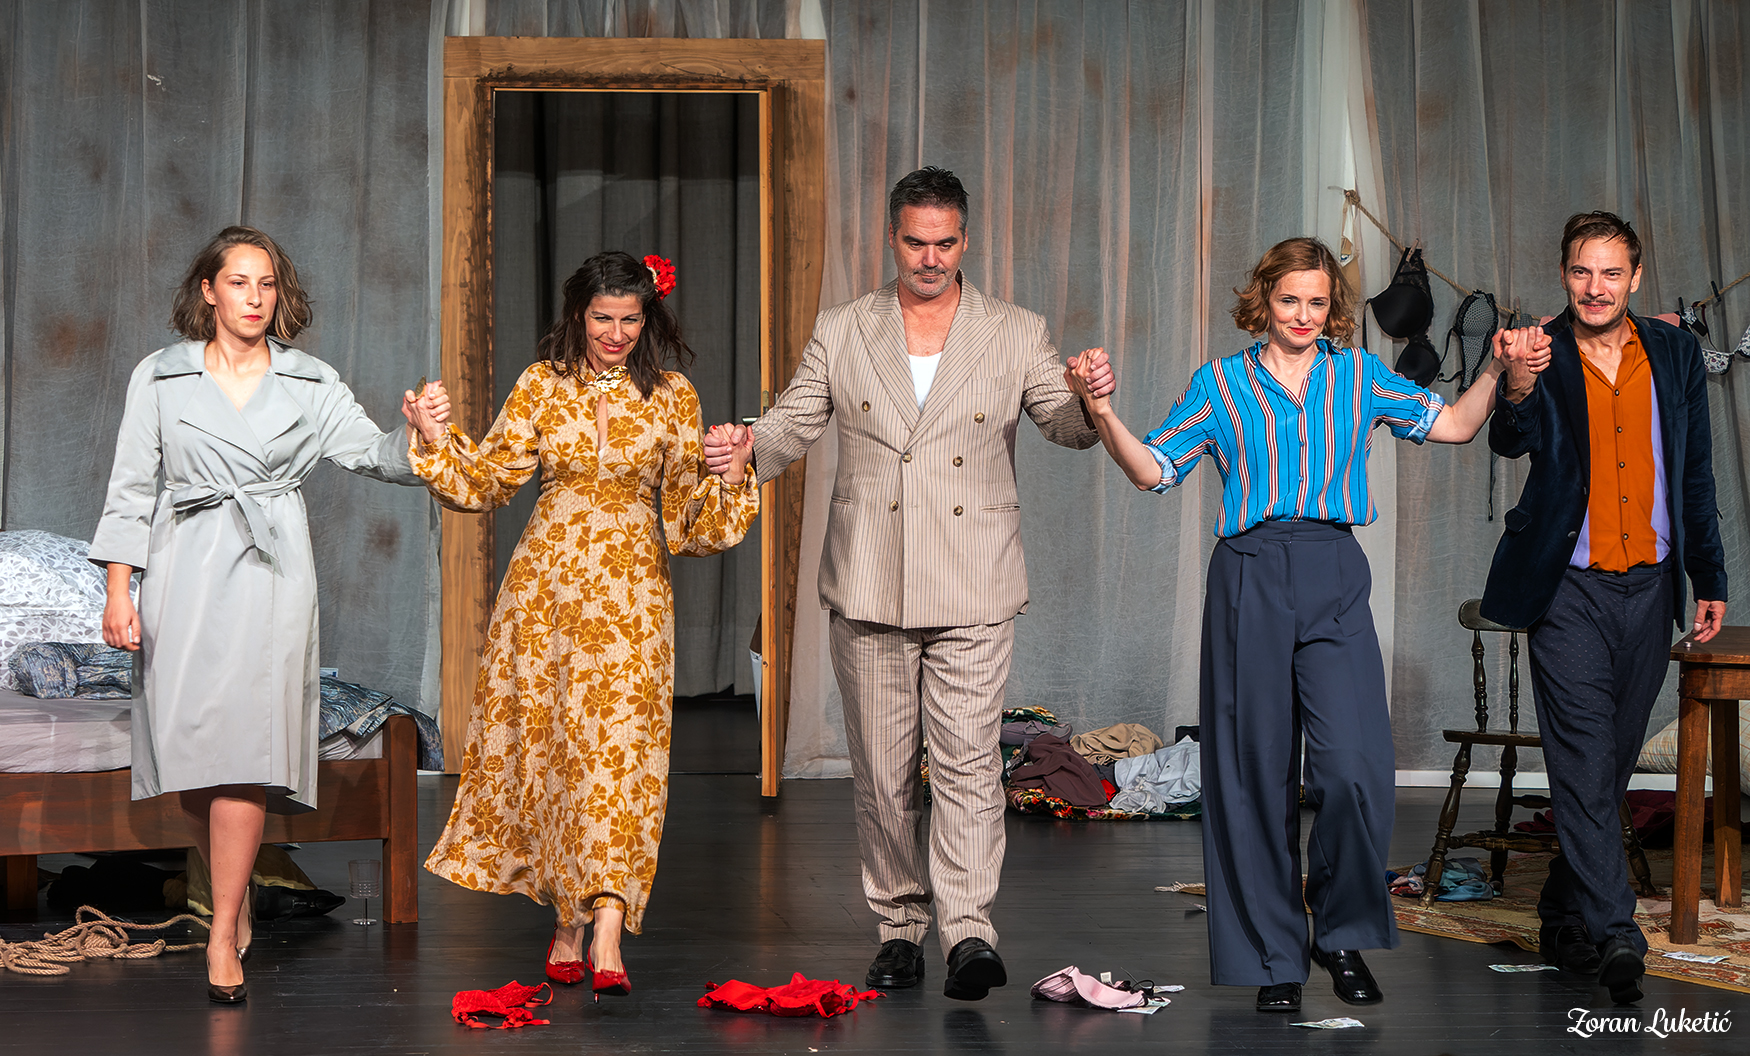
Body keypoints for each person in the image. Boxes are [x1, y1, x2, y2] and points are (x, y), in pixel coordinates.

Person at [1061, 236, 1544, 1014]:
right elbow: (1154, 469)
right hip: (1248, 573)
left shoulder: (1358, 375)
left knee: (1354, 769)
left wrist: (1493, 369)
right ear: (1264, 299)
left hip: (1332, 569)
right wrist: (1102, 410)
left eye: (1317, 302)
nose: (1303, 315)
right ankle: (1271, 959)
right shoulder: (1220, 383)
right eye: (1289, 299)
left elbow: (1454, 425)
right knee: (1253, 774)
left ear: (1332, 308)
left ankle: (1340, 933)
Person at [703, 166, 1116, 1001]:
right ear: (891, 239)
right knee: (884, 773)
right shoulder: (844, 327)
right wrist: (746, 449)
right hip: (871, 577)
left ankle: (969, 933)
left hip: (973, 579)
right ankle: (899, 928)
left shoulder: (1014, 330)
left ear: (966, 241)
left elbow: (1066, 427)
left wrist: (1092, 397)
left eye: (946, 242)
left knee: (967, 764)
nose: (931, 258)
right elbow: (793, 421)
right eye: (916, 242)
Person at [91, 225, 435, 1004]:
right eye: (239, 282)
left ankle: (221, 936)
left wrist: (417, 434)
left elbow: (374, 454)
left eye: (267, 283)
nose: (254, 297)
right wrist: (119, 589)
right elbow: (130, 488)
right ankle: (233, 891)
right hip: (182, 569)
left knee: (245, 756)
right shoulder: (161, 375)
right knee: (191, 762)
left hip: (271, 575)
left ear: (280, 295)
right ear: (208, 290)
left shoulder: (309, 381)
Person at [406, 251, 758, 1000]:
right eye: (603, 318)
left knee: (620, 756)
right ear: (578, 314)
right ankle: (568, 921)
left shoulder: (673, 396)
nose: (617, 333)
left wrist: (730, 475)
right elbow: (489, 481)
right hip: (546, 598)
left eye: (631, 319)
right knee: (559, 754)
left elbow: (690, 525)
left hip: (632, 601)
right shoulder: (541, 384)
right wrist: (437, 438)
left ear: (648, 318)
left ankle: (607, 924)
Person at [1480, 211, 1727, 1005]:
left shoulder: (1674, 352)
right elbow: (1508, 440)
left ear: (1636, 277)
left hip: (1651, 587)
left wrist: (1709, 575)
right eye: (1583, 271)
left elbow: (1695, 471)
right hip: (1567, 588)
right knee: (1584, 758)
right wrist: (1518, 381)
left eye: (1611, 272)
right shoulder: (1540, 350)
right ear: (1564, 274)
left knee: (1609, 762)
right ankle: (1617, 931)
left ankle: (1561, 914)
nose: (1596, 287)